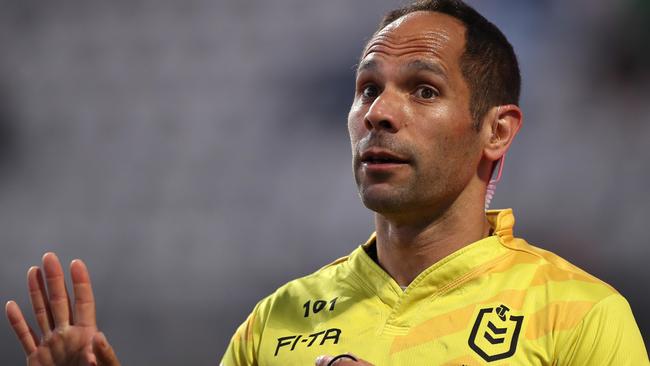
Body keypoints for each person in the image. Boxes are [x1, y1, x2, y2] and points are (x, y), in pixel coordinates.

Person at [5, 0, 648, 365]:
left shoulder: (579, 315)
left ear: (497, 131)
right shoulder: (272, 323)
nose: (380, 112)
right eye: (367, 90)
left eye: (423, 90)